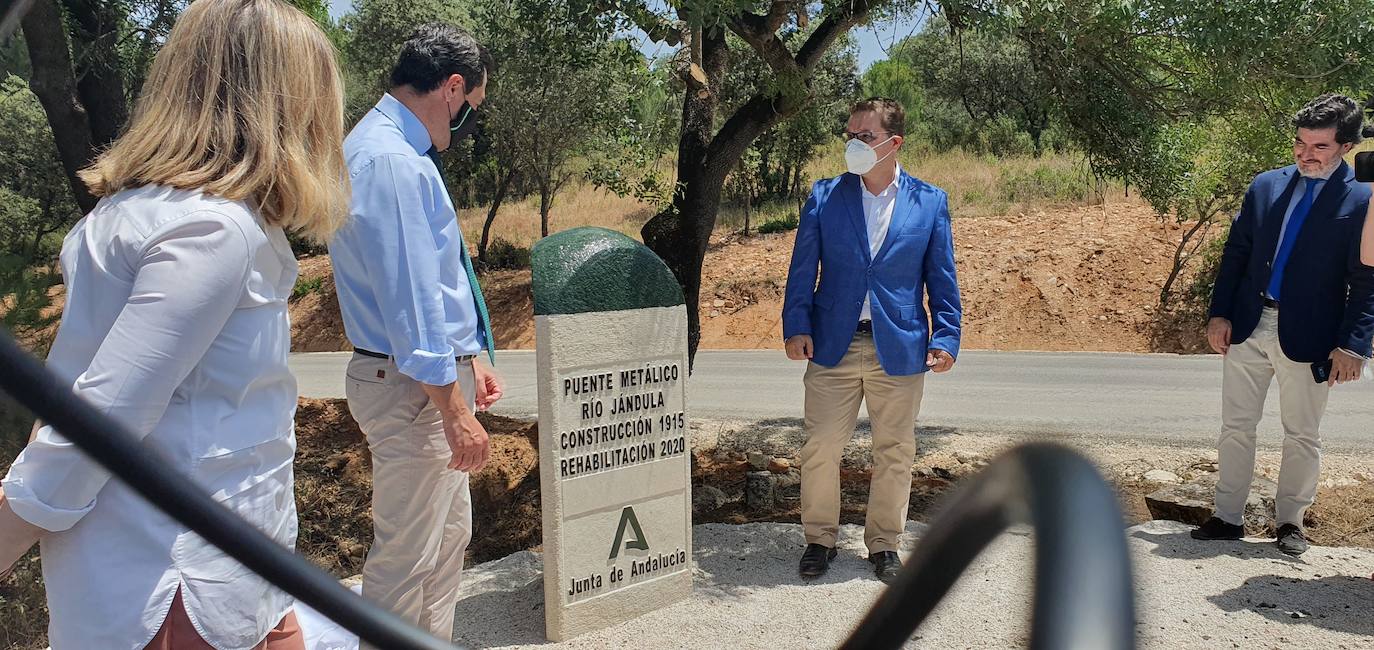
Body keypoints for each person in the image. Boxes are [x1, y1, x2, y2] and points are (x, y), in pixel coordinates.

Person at [0, 0, 348, 647]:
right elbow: (98, 423)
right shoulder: (213, 231)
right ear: (276, 108)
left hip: (222, 566)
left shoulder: (127, 215)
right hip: (179, 584)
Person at [328, 23, 502, 646]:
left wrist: (469, 357)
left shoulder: (382, 150)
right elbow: (411, 299)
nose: (464, 131)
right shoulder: (392, 162)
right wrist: (452, 407)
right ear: (452, 88)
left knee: (445, 541)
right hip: (411, 388)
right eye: (470, 113)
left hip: (418, 379)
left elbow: (432, 280)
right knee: (406, 559)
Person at [781, 98, 961, 583]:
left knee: (896, 450)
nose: (853, 144)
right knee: (820, 445)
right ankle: (820, 540)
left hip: (899, 346)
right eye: (849, 134)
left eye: (864, 136)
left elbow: (941, 278)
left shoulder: (930, 202)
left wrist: (945, 336)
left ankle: (884, 546)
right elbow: (802, 271)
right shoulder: (823, 196)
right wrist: (796, 326)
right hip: (830, 344)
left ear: (893, 143)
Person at [1192, 94, 1374, 556]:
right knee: (1235, 425)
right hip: (1250, 325)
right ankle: (1226, 517)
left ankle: (1290, 522)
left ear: (1347, 146)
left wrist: (1355, 345)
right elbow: (1236, 254)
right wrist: (1220, 313)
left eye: (1319, 147)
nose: (1305, 154)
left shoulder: (1362, 199)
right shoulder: (1266, 186)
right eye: (1299, 143)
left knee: (1302, 433)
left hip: (1312, 336)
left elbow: (1367, 278)